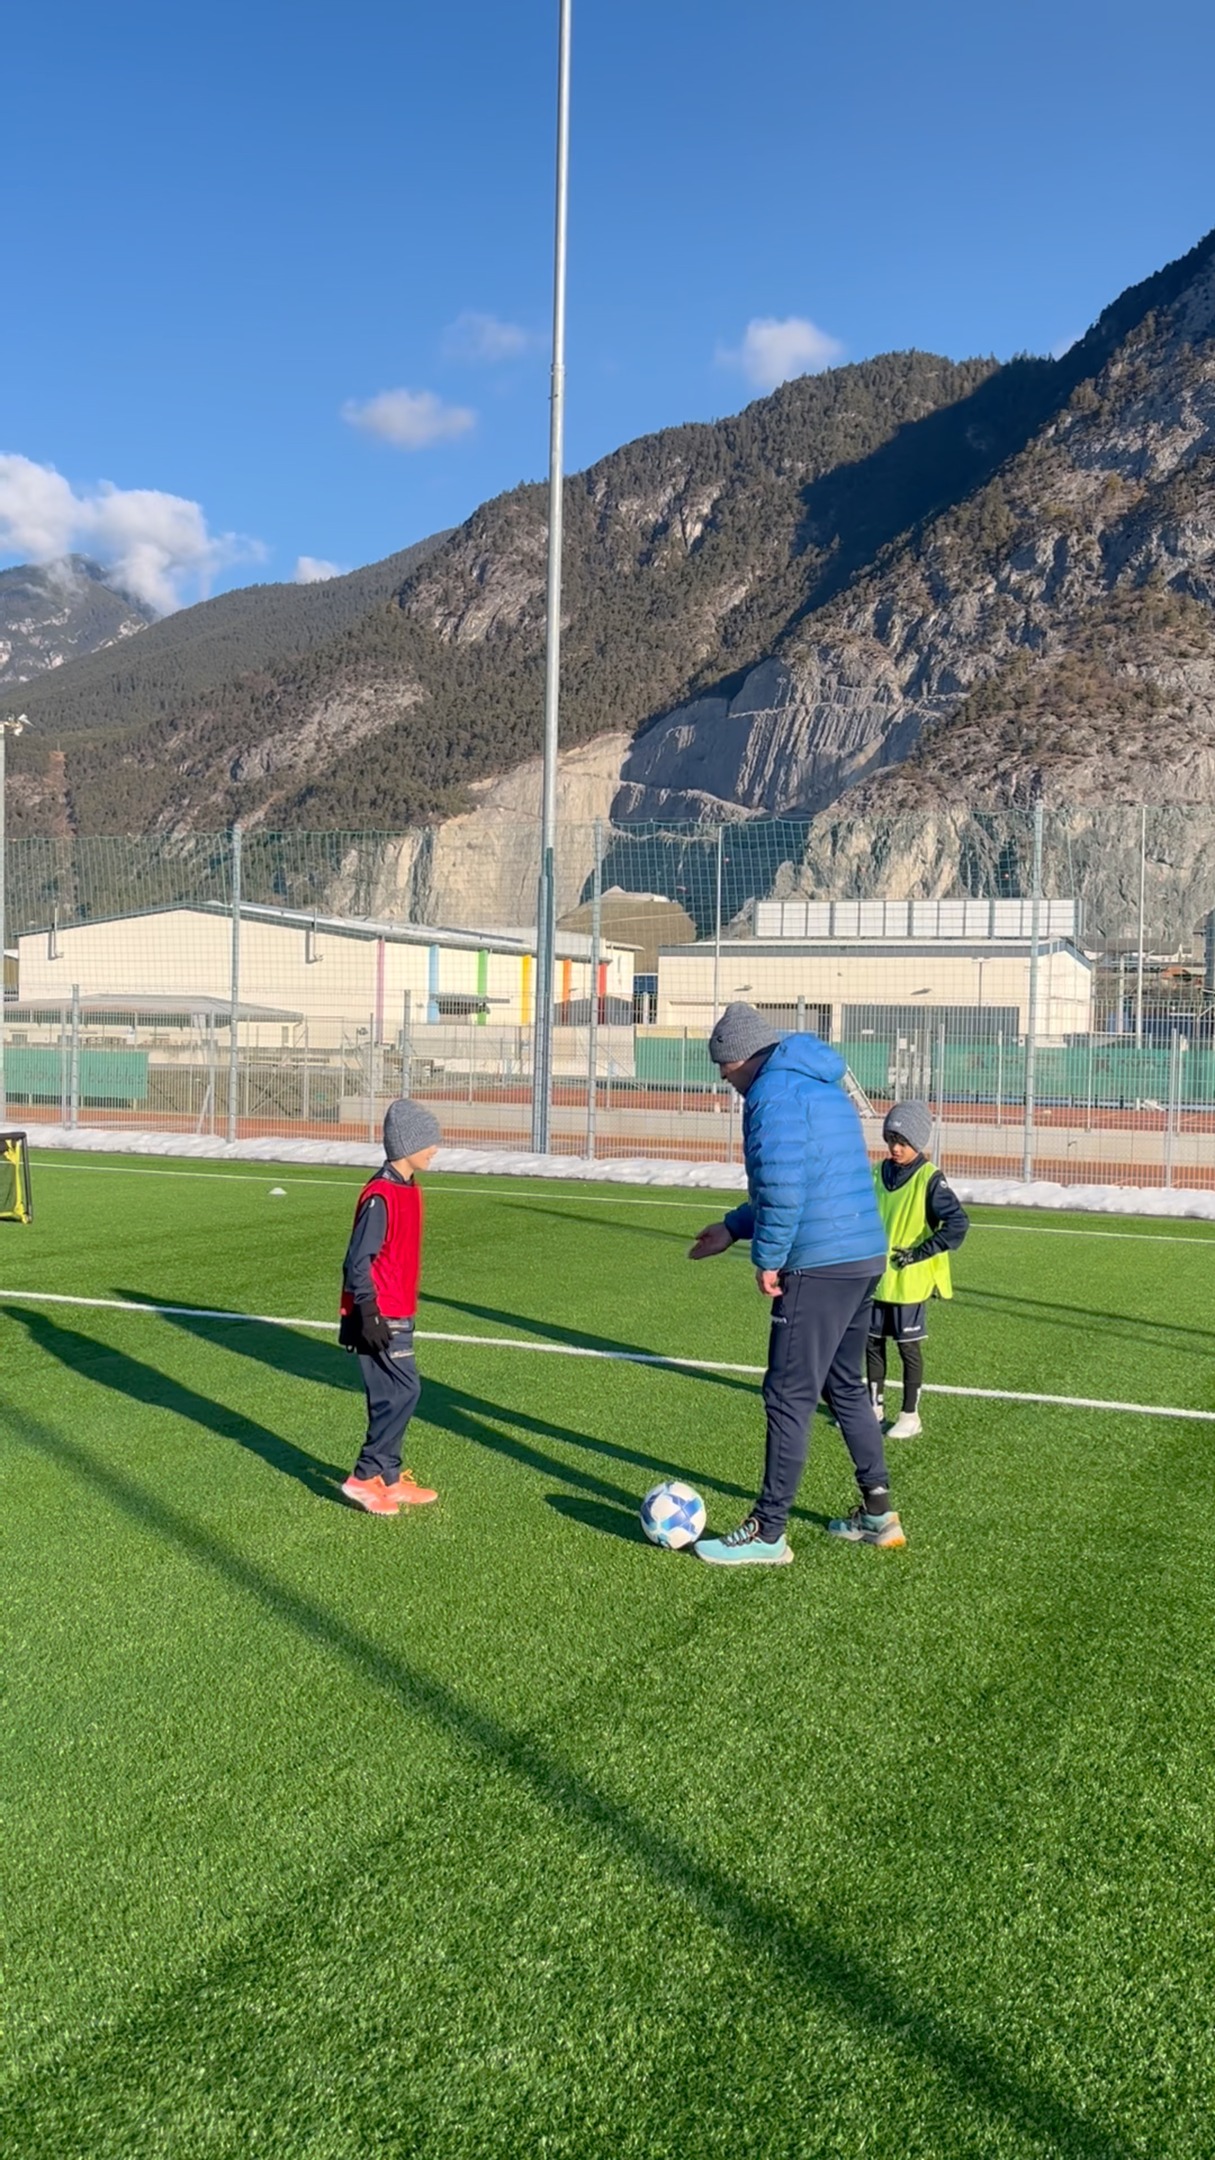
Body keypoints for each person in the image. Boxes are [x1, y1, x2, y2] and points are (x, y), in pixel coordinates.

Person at [688, 1003, 906, 1565]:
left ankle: (768, 1531)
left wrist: (768, 1257)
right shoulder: (813, 1081)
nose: (723, 1079)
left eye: (723, 1068)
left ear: (740, 1057)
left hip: (819, 1262)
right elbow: (810, 1176)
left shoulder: (773, 1095)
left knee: (787, 1394)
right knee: (845, 1384)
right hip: (860, 1255)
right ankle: (879, 1512)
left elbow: (784, 1185)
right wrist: (735, 1227)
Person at [339, 1098, 443, 1516]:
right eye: (430, 1141)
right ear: (406, 1144)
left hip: (399, 1311)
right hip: (379, 1317)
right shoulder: (381, 1195)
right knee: (404, 1392)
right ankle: (363, 1476)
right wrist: (367, 1312)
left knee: (393, 1394)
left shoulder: (408, 1187)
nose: (436, 1148)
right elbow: (356, 1261)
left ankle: (390, 1477)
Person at [868, 1101, 969, 1440]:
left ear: (919, 1142)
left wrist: (918, 1253)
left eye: (903, 1141)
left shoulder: (929, 1179)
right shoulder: (876, 1173)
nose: (895, 1148)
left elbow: (958, 1224)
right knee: (871, 1343)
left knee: (907, 1348)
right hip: (876, 1279)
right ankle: (873, 1408)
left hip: (910, 1282)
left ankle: (910, 1414)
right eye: (891, 1139)